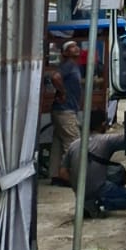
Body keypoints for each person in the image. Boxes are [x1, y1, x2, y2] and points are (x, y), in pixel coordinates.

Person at [64, 110, 126, 217]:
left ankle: (87, 202)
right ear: (103, 124)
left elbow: (62, 172)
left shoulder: (73, 144)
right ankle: (99, 204)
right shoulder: (106, 140)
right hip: (99, 187)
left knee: (114, 173)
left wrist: (77, 186)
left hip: (80, 191)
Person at [48, 40, 83, 185]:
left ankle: (56, 174)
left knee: (58, 142)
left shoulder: (73, 66)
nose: (76, 48)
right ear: (65, 53)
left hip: (62, 110)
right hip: (65, 111)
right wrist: (63, 92)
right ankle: (71, 175)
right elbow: (55, 77)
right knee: (73, 142)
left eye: (76, 45)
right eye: (71, 47)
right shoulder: (68, 65)